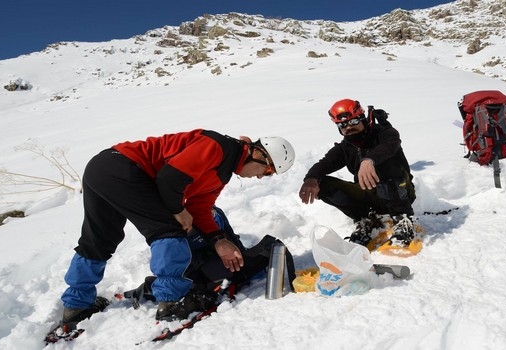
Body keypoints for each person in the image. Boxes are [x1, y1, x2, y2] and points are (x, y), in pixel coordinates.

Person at [58, 129, 295, 328]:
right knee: (169, 230)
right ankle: (173, 301)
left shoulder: (222, 172)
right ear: (257, 153)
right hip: (123, 167)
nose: (263, 177)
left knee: (99, 239)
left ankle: (77, 305)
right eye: (268, 170)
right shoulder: (217, 146)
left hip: (102, 169)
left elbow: (200, 208)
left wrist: (218, 240)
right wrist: (177, 211)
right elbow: (169, 179)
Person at [122, 206, 294, 319]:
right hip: (189, 259)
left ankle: (174, 288)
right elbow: (171, 262)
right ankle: (167, 289)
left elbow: (234, 251)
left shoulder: (209, 216)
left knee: (232, 268)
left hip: (211, 252)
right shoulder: (167, 230)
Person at [298, 99, 416, 248]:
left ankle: (402, 218)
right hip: (371, 196)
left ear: (362, 118)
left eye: (353, 121)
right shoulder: (345, 148)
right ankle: (367, 219)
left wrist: (370, 160)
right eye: (342, 125)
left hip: (401, 193)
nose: (348, 127)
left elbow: (390, 145)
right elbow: (325, 163)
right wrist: (311, 178)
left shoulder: (384, 133)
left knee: (383, 163)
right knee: (322, 183)